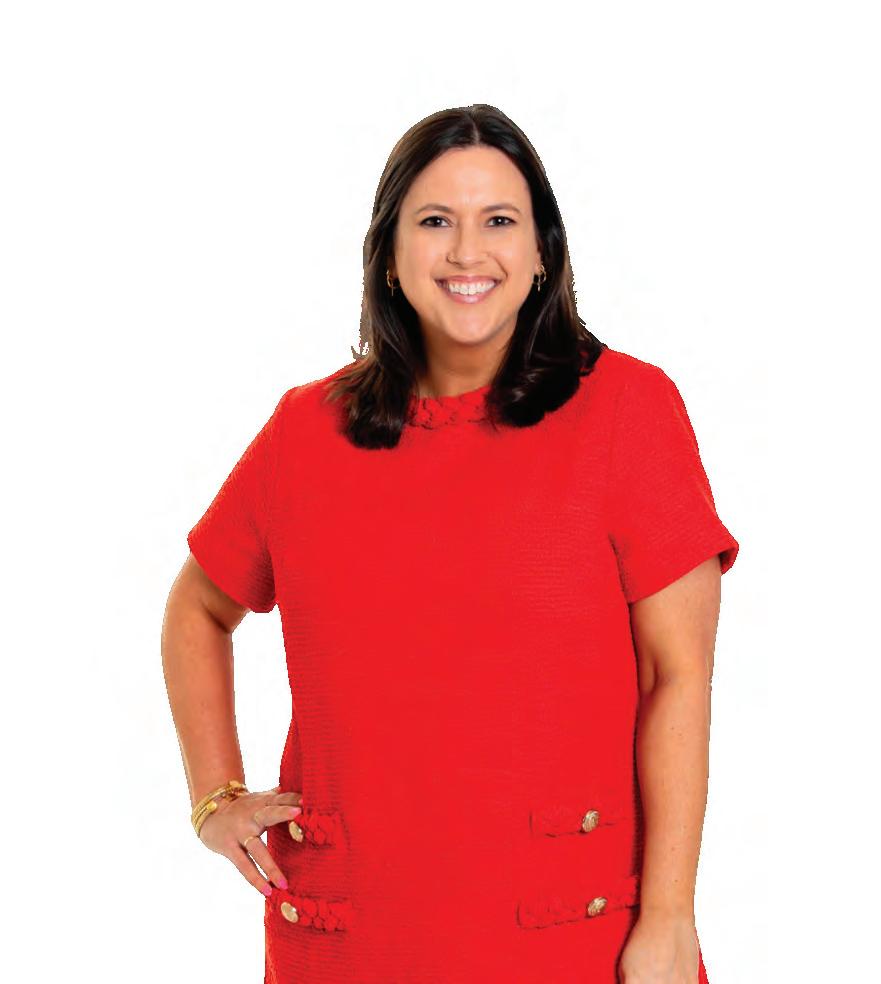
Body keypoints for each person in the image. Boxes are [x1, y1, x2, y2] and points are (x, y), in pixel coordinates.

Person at [163, 104, 739, 984]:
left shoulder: (628, 410)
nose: (468, 253)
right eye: (435, 222)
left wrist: (668, 915)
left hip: (570, 937)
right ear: (389, 256)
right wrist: (216, 796)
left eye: (498, 221)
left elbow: (678, 679)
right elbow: (198, 608)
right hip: (348, 940)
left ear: (542, 252)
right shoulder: (305, 431)